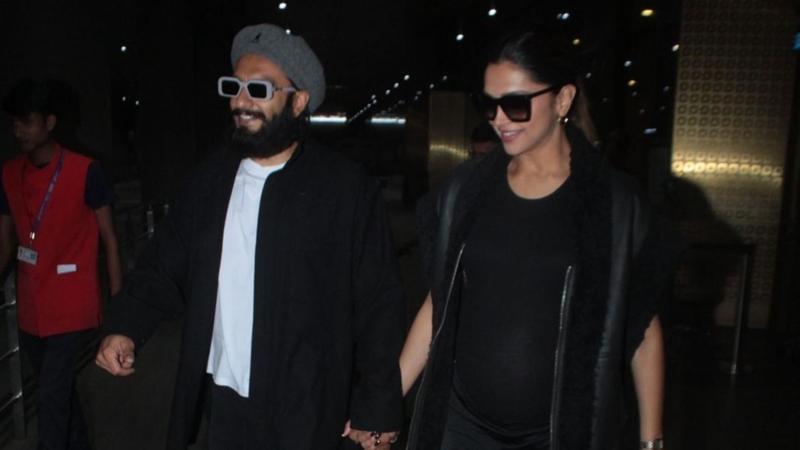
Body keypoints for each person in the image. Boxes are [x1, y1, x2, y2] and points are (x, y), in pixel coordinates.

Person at [94, 23, 404, 450]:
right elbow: (163, 267)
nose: (240, 102)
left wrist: (378, 406)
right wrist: (125, 326)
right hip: (223, 401)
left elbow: (377, 303)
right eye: (234, 87)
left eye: (258, 89)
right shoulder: (209, 182)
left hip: (307, 406)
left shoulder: (344, 190)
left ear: (298, 101)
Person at [401, 30, 677, 450]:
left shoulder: (614, 205)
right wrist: (385, 398)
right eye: (489, 104)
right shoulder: (463, 193)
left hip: (559, 434)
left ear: (563, 100)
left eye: (515, 104)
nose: (499, 119)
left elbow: (641, 328)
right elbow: (439, 303)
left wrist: (651, 441)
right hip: (462, 427)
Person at [0, 78, 122, 450]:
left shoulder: (85, 170)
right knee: (58, 390)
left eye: (27, 121)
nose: (19, 130)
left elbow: (109, 238)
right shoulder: (8, 174)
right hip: (32, 307)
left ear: (49, 122)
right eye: (15, 122)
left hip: (72, 305)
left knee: (51, 395)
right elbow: (5, 241)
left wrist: (118, 304)